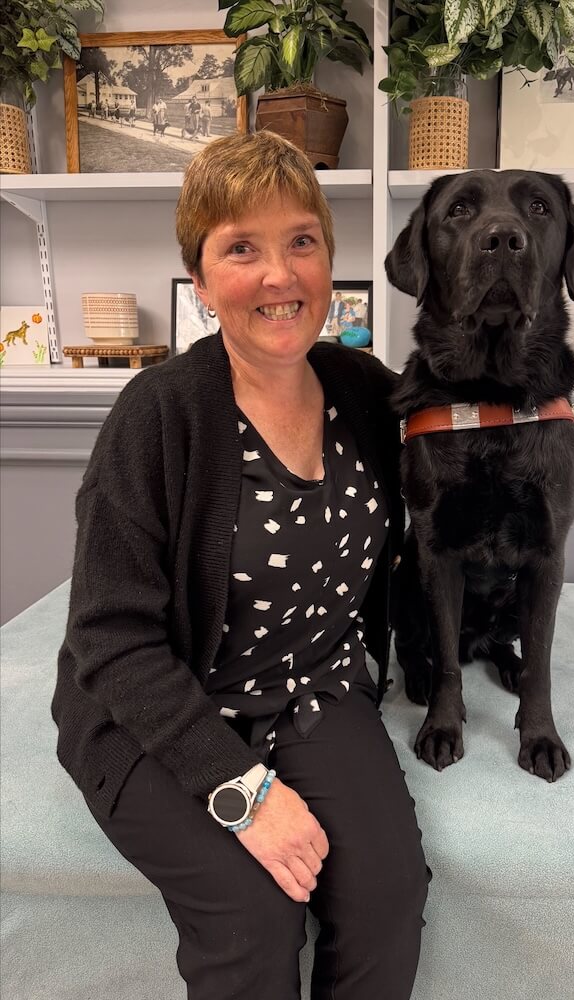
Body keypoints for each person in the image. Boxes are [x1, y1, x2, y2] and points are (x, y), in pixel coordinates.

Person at [53, 129, 429, 1000]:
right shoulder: (158, 416)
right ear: (200, 279)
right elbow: (110, 636)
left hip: (313, 686)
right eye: (241, 249)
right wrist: (240, 790)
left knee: (384, 892)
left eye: (301, 241)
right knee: (251, 919)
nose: (278, 275)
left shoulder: (364, 389)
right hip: (163, 707)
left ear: (329, 258)